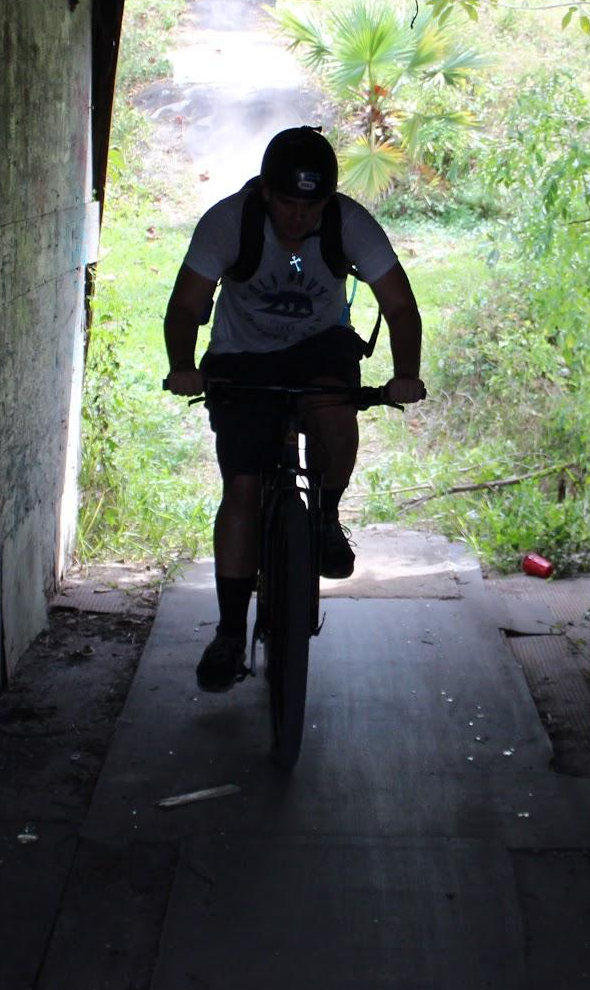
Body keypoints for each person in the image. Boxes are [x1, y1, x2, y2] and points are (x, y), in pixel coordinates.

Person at [162, 126, 426, 693]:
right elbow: (186, 305)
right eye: (286, 202)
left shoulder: (348, 224)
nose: (298, 217)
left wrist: (406, 376)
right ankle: (231, 630)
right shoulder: (228, 223)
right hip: (242, 356)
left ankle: (326, 516)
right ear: (264, 193)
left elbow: (399, 306)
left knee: (335, 416)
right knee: (243, 488)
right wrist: (183, 365)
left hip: (320, 348)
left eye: (311, 205)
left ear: (327, 200)